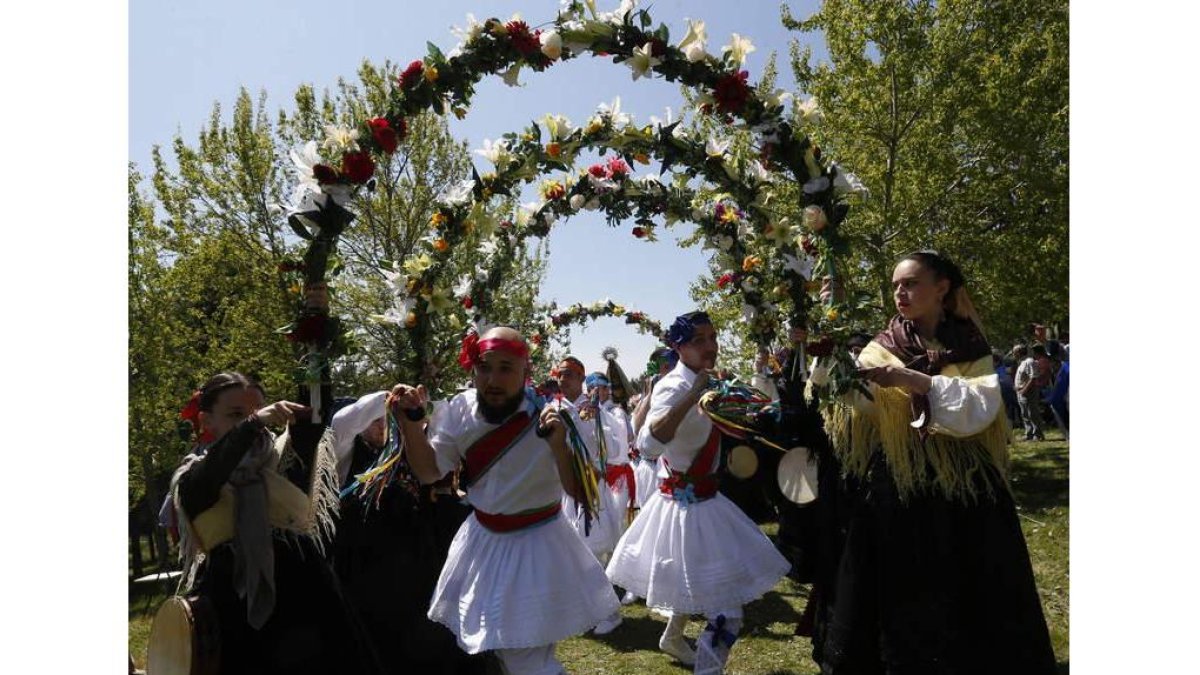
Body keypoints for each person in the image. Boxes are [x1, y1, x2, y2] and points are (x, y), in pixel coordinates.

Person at [809, 251, 1056, 674]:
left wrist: (914, 380)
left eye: (910, 283)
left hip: (965, 488)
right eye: (895, 286)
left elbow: (980, 408)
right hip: (900, 486)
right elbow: (854, 400)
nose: (900, 293)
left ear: (942, 288)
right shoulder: (881, 347)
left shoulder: (969, 343)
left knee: (972, 590)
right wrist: (827, 345)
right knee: (902, 593)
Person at [391, 327, 619, 675]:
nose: (493, 379)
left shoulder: (553, 415)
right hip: (482, 544)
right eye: (485, 367)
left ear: (526, 372)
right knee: (503, 652)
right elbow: (428, 472)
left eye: (506, 368)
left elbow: (580, 492)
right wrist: (410, 424)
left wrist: (559, 445)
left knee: (525, 658)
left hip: (538, 545)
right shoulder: (459, 411)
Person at [607, 311, 791, 674]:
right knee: (728, 614)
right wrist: (694, 394)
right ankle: (709, 668)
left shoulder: (710, 380)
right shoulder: (674, 386)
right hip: (685, 508)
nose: (710, 346)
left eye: (712, 337)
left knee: (692, 583)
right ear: (678, 347)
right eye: (699, 341)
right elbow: (648, 445)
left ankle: (673, 638)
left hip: (708, 501)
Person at [165, 372, 382, 675]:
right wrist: (253, 423)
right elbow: (217, 468)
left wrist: (315, 347)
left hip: (307, 602)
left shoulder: (285, 459)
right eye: (235, 414)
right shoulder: (193, 479)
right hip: (233, 610)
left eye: (257, 411)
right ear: (206, 421)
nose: (257, 423)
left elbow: (313, 417)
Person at [330, 391, 487, 674]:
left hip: (415, 572)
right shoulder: (346, 456)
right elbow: (343, 422)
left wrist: (419, 405)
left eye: (386, 420)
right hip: (364, 575)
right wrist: (388, 397)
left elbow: (441, 431)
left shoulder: (413, 454)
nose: (381, 425)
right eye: (374, 420)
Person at [1014, 344, 1047, 441]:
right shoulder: (1022, 362)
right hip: (1021, 392)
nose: (1013, 354)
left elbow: (1033, 377)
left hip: (1029, 392)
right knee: (1025, 414)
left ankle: (1038, 434)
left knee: (1032, 413)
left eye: (1014, 352)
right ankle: (1029, 434)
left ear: (1019, 352)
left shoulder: (1029, 361)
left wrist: (1024, 389)